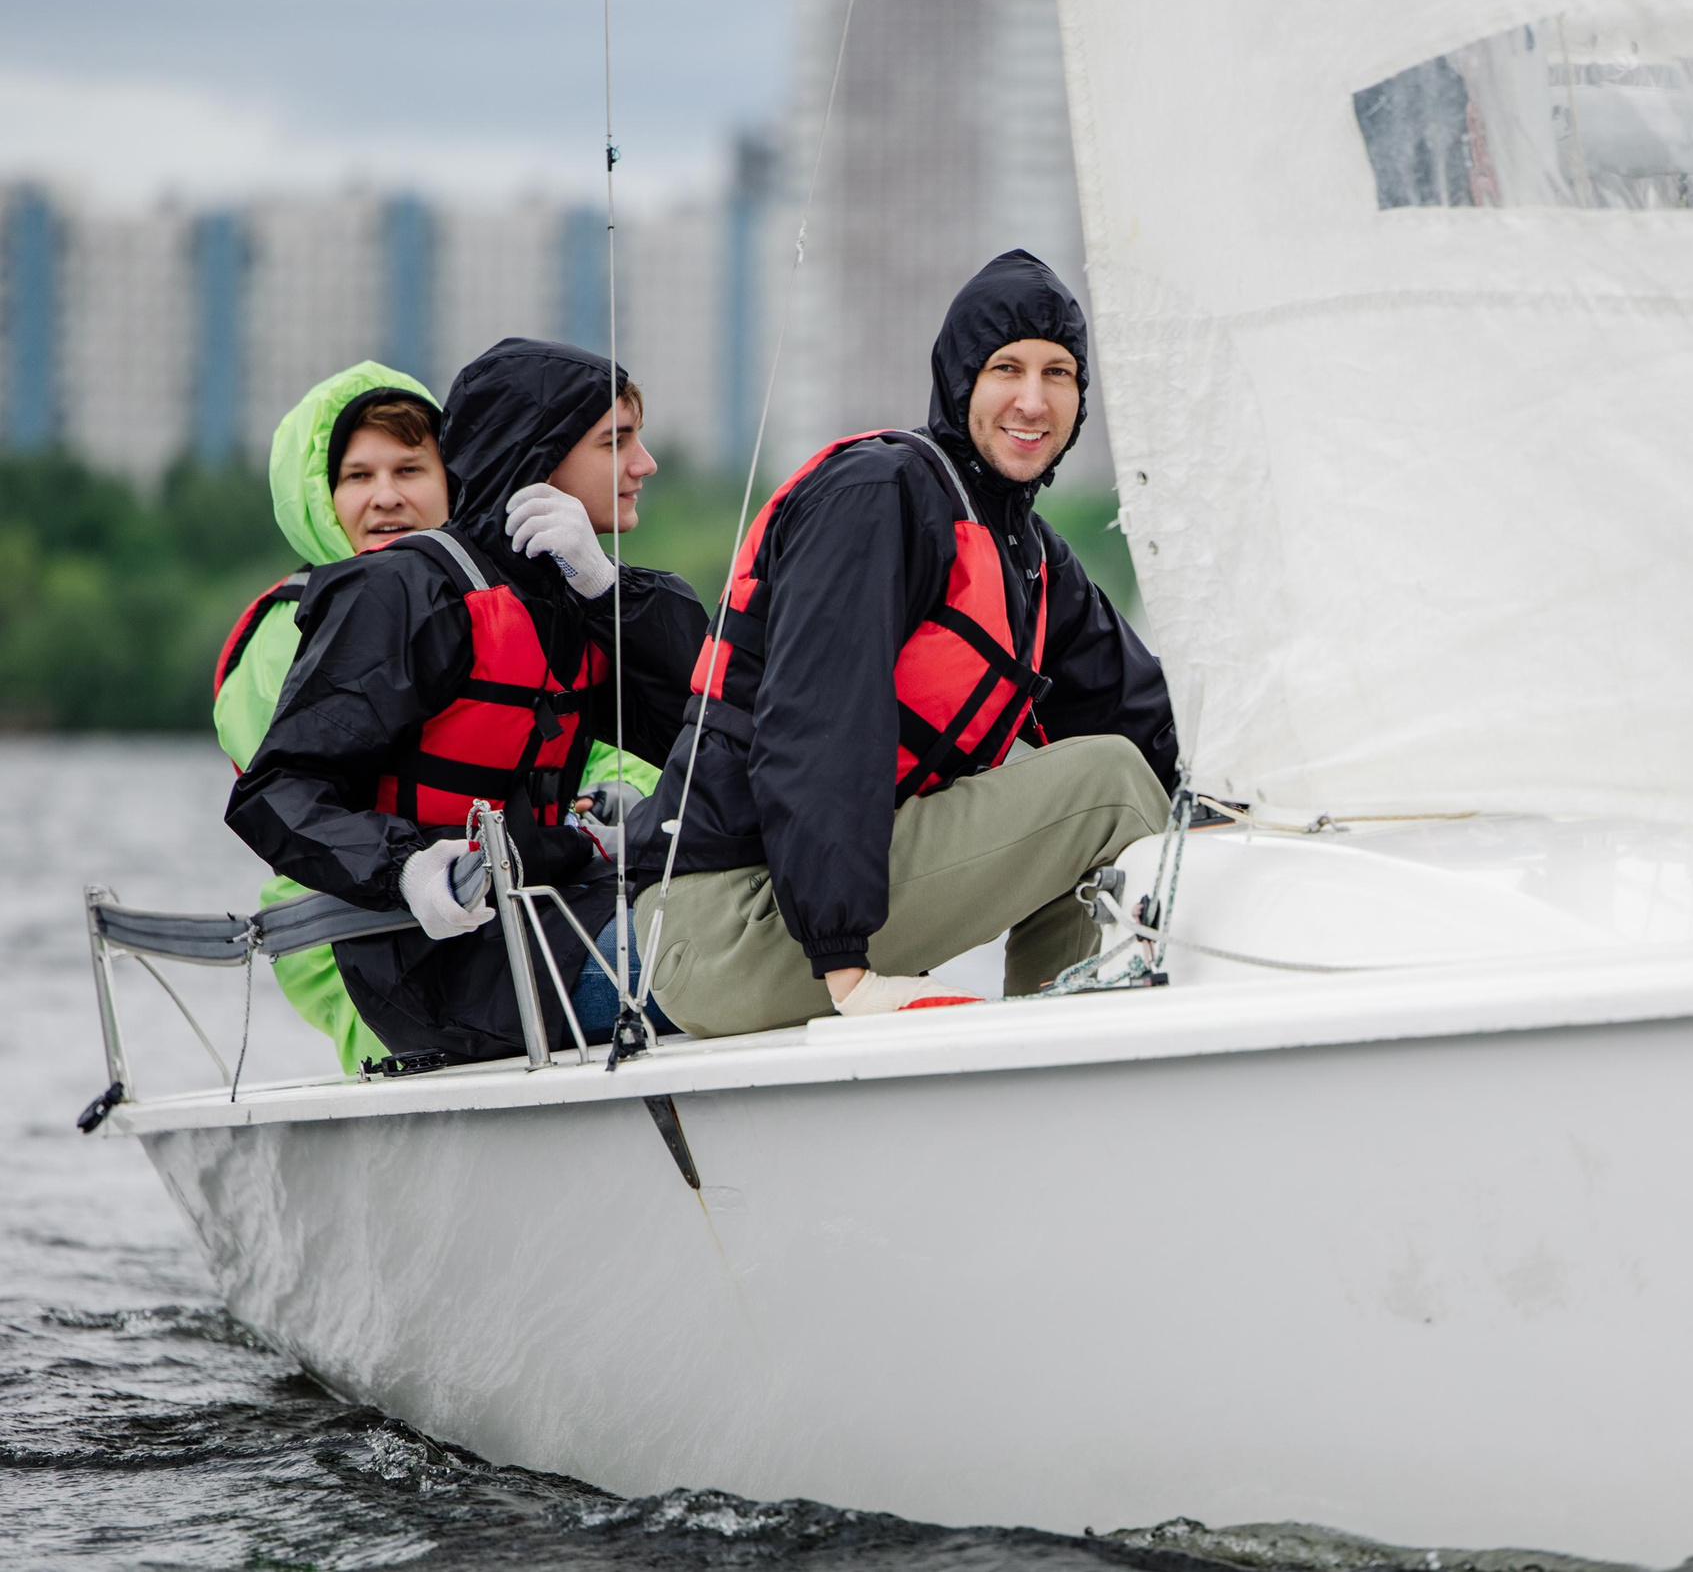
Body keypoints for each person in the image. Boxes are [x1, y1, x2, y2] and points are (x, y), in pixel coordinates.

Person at [634, 250, 1177, 1035]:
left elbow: (1138, 713)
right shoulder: (881, 494)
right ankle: (1062, 1054)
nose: (1033, 399)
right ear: (961, 381)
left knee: (1121, 771)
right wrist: (848, 972)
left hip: (808, 921)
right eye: (1007, 369)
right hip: (729, 928)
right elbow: (819, 723)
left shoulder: (1026, 554)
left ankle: (1058, 1045)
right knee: (1110, 787)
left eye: (1059, 374)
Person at [226, 339, 706, 1064]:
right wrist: (407, 867)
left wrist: (613, 595)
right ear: (538, 458)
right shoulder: (401, 593)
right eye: (618, 442)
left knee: (798, 905)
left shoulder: (580, 594)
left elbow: (711, 738)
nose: (645, 464)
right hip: (444, 963)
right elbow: (274, 793)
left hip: (560, 910)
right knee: (762, 947)